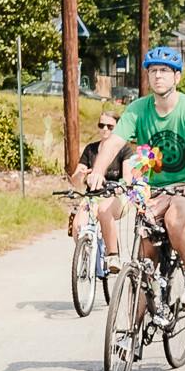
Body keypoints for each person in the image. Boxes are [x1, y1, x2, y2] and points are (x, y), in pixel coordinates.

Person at [84, 46, 185, 306]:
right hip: (152, 188)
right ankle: (130, 336)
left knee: (176, 220)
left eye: (164, 71)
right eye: (153, 71)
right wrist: (97, 171)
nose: (158, 76)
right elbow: (114, 142)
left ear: (177, 77)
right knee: (145, 262)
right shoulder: (138, 109)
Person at [70, 107, 126, 268]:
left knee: (104, 210)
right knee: (78, 225)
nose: (105, 130)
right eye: (101, 125)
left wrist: (121, 187)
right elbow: (76, 180)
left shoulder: (124, 150)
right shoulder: (91, 149)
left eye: (110, 126)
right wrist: (81, 174)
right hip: (92, 196)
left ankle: (112, 255)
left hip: (113, 195)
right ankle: (87, 254)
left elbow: (127, 178)